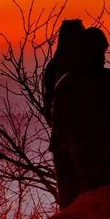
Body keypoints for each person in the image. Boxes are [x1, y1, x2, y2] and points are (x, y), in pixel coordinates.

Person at [51, 27, 110, 201]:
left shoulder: (67, 83)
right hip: (104, 156)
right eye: (99, 52)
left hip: (81, 155)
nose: (102, 57)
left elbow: (59, 125)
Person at [43, 19, 85, 208]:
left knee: (68, 193)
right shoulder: (82, 69)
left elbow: (48, 107)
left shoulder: (53, 67)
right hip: (82, 140)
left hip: (60, 139)